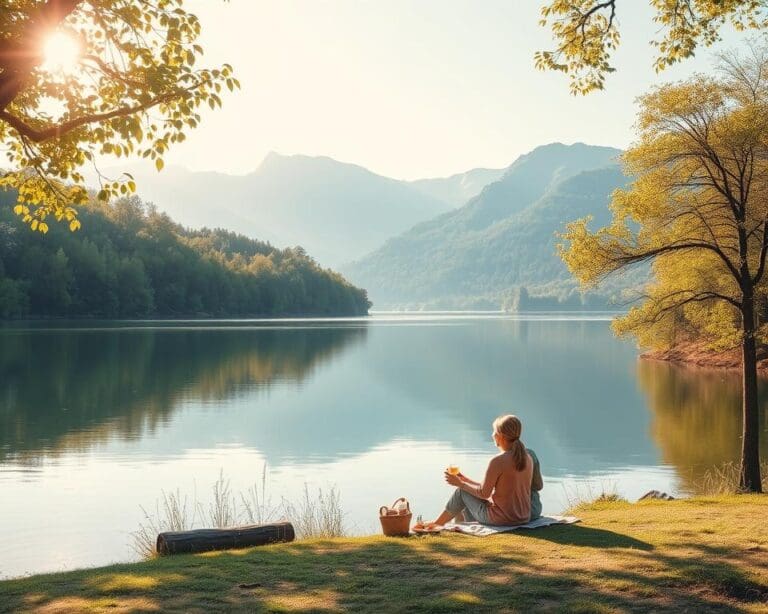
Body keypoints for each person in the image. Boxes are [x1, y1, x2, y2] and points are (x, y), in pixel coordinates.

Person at [432, 414, 535, 527]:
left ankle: (436, 525)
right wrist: (465, 480)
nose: (492, 435)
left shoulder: (497, 461)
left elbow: (484, 494)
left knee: (461, 492)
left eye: (494, 431)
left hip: (502, 519)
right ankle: (456, 525)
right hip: (523, 517)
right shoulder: (527, 458)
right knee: (467, 492)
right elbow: (490, 490)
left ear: (501, 436)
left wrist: (460, 484)